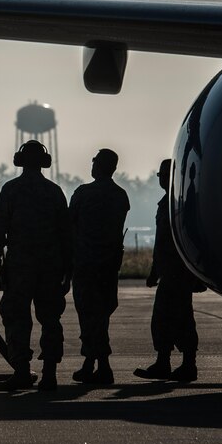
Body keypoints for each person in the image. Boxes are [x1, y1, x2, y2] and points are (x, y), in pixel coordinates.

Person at [0, 140, 71, 391]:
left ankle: (21, 370)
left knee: (16, 316)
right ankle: (50, 373)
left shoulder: (11, 190)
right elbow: (66, 234)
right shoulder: (54, 192)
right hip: (50, 265)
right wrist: (68, 269)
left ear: (20, 160)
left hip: (20, 265)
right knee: (51, 318)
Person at [134, 158, 202, 382]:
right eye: (160, 175)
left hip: (179, 273)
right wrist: (155, 270)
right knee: (168, 317)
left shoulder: (182, 202)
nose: (163, 179)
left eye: (166, 174)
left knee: (175, 317)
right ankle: (169, 363)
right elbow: (161, 241)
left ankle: (181, 364)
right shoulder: (167, 202)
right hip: (168, 271)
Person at [69, 148, 130, 385]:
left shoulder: (84, 194)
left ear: (99, 165)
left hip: (86, 265)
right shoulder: (120, 195)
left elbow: (69, 226)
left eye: (94, 162)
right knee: (101, 316)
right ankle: (93, 365)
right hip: (108, 266)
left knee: (89, 316)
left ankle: (100, 365)